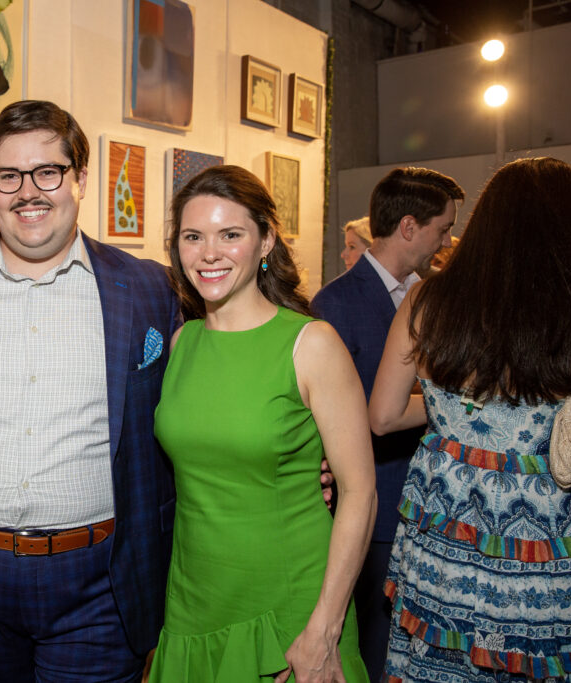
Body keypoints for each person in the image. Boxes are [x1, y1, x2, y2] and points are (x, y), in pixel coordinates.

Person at [0, 100, 182, 682]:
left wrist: (296, 452)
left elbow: (202, 388)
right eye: (9, 175)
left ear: (80, 178)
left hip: (101, 583)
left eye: (48, 172)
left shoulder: (148, 287)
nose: (28, 192)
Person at [148, 165, 375, 682]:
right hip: (193, 599)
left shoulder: (311, 344)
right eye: (193, 236)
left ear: (266, 239)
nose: (209, 253)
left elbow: (360, 492)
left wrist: (324, 628)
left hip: (290, 605)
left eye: (230, 234)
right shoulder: (183, 343)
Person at [369, 157, 571, 683]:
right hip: (543, 532)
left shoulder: (426, 299)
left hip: (449, 527)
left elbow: (384, 415)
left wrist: (449, 414)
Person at [310, 166, 464, 682]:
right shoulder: (335, 303)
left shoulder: (440, 297)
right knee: (376, 645)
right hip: (376, 505)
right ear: (408, 227)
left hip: (438, 504)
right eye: (441, 230)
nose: (445, 243)